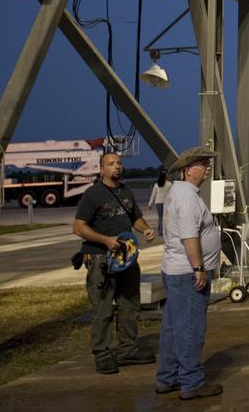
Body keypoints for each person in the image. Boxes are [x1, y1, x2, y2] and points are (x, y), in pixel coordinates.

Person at [72, 150, 157, 374]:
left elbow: (134, 218)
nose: (116, 167)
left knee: (129, 305)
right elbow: (79, 227)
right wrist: (105, 241)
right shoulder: (93, 194)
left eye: (119, 163)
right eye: (111, 164)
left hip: (126, 259)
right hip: (101, 259)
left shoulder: (126, 192)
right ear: (102, 170)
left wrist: (146, 229)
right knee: (103, 309)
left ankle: (127, 349)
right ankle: (102, 354)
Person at [155, 147, 223, 400]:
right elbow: (189, 236)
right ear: (187, 170)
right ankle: (191, 382)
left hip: (175, 270)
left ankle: (167, 377)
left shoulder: (180, 193)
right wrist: (199, 268)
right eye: (202, 164)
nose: (207, 168)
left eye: (207, 164)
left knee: (173, 326)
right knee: (191, 328)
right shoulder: (187, 197)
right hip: (187, 272)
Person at [148, 168, 171, 233]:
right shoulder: (169, 184)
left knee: (160, 217)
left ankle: (160, 231)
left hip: (158, 203)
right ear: (166, 176)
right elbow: (172, 195)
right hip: (166, 203)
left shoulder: (156, 185)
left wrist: (150, 204)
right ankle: (166, 231)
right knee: (166, 217)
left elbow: (153, 195)